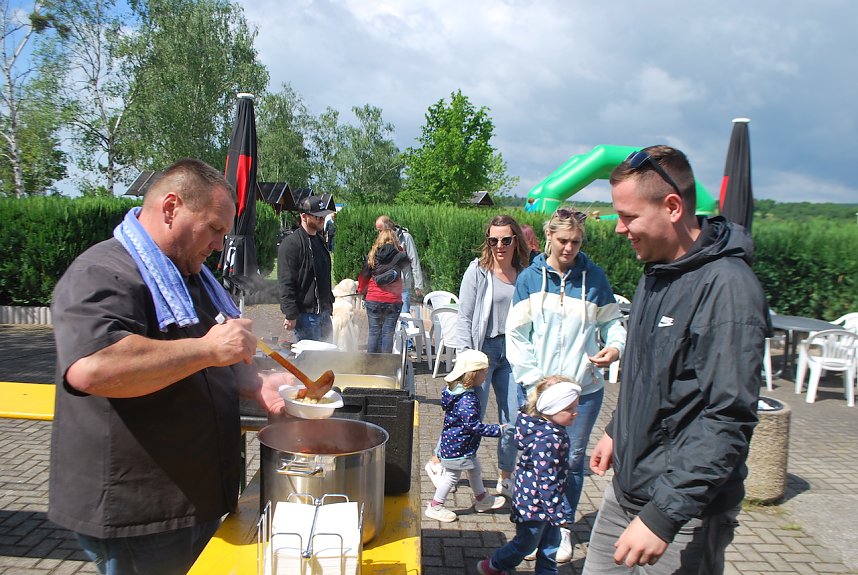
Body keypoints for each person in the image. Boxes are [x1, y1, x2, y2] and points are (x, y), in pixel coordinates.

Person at [48, 158, 295, 575]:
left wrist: (255, 382)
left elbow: (199, 362)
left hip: (191, 499)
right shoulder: (101, 272)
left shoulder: (188, 274)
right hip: (140, 514)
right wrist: (208, 349)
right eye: (214, 228)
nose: (220, 244)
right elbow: (93, 368)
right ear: (170, 208)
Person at [583, 145, 769, 574]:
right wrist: (617, 429)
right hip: (626, 492)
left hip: (682, 514)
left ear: (671, 207)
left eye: (628, 217)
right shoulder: (657, 269)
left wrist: (663, 517)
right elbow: (652, 373)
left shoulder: (727, 290)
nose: (618, 229)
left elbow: (728, 418)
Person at [506, 207, 627, 563]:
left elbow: (613, 325)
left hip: (582, 392)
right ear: (549, 238)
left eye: (575, 242)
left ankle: (561, 529)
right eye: (562, 240)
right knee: (531, 461)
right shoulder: (530, 278)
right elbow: (516, 334)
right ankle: (529, 530)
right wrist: (534, 381)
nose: (569, 248)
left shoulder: (594, 278)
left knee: (572, 462)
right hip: (537, 393)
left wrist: (614, 346)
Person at [426, 214, 530, 498]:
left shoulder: (525, 273)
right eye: (493, 239)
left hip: (513, 353)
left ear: (515, 240)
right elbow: (465, 316)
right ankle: (438, 462)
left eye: (506, 240)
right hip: (481, 352)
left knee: (514, 416)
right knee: (470, 414)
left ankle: (505, 477)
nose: (499, 245)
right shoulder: (478, 271)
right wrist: (464, 357)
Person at [477, 376, 582, 575]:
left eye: (576, 407)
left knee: (550, 547)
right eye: (569, 409)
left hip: (546, 503)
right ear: (551, 408)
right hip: (534, 504)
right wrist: (557, 513)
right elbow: (546, 480)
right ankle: (494, 565)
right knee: (525, 544)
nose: (575, 413)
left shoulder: (551, 430)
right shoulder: (548, 439)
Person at [424, 349, 507, 523]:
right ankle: (435, 506)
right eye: (483, 372)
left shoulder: (456, 391)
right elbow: (473, 426)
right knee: (452, 477)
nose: (486, 376)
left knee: (475, 469)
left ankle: (482, 499)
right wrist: (498, 430)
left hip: (460, 444)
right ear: (472, 375)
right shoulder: (467, 400)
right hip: (458, 446)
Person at [278, 195, 335, 342]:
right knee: (310, 362)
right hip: (305, 315)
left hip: (323, 313)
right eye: (317, 217)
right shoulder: (291, 244)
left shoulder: (320, 241)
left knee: (328, 358)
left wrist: (329, 303)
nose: (322, 220)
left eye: (323, 216)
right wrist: (290, 313)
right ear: (304, 216)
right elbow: (286, 281)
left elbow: (324, 275)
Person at [358, 228, 411, 353]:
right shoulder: (400, 255)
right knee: (388, 333)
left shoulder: (372, 255)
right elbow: (408, 265)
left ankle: (370, 365)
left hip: (374, 298)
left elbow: (364, 276)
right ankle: (385, 366)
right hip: (393, 300)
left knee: (373, 333)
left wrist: (361, 290)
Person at [375, 215, 424, 313]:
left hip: (403, 285)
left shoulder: (405, 238)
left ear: (388, 227)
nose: (379, 233)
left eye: (381, 230)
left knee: (403, 316)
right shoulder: (381, 240)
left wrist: (418, 284)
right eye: (378, 231)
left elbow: (414, 260)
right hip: (387, 285)